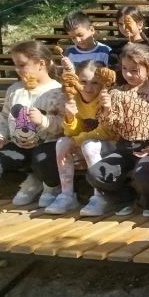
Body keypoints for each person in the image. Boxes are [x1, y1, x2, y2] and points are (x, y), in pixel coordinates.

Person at [86, 43, 149, 216]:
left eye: (134, 70)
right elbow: (110, 126)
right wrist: (107, 108)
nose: (128, 74)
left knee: (143, 173)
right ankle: (123, 199)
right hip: (125, 147)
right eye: (125, 69)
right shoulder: (117, 93)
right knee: (95, 173)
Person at [0, 41, 65, 207]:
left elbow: (65, 124)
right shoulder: (14, 90)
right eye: (15, 65)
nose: (18, 70)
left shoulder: (57, 91)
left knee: (41, 158)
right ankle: (31, 181)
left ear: (41, 64)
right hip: (19, 145)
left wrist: (43, 120)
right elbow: (5, 117)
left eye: (22, 65)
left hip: (48, 144)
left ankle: (52, 186)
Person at [45, 60, 118, 215]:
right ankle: (67, 195)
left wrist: (76, 140)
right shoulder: (74, 98)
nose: (88, 88)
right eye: (83, 82)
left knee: (89, 145)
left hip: (111, 146)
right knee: (62, 142)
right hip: (86, 143)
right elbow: (70, 133)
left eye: (95, 83)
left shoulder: (107, 98)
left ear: (103, 83)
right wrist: (70, 118)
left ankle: (101, 196)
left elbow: (106, 131)